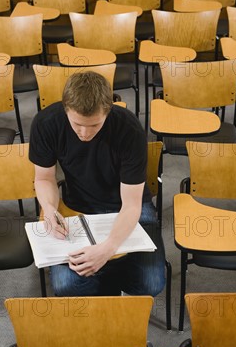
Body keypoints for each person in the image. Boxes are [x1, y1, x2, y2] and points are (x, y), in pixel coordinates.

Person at [29, 71, 166, 297]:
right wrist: (50, 209)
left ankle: (104, 273)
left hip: (126, 205)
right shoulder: (46, 123)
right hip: (78, 206)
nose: (84, 133)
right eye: (77, 124)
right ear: (65, 109)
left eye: (94, 125)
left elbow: (131, 205)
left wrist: (108, 249)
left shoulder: (129, 130)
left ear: (108, 111)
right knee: (66, 286)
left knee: (149, 284)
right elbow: (44, 178)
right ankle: (105, 278)